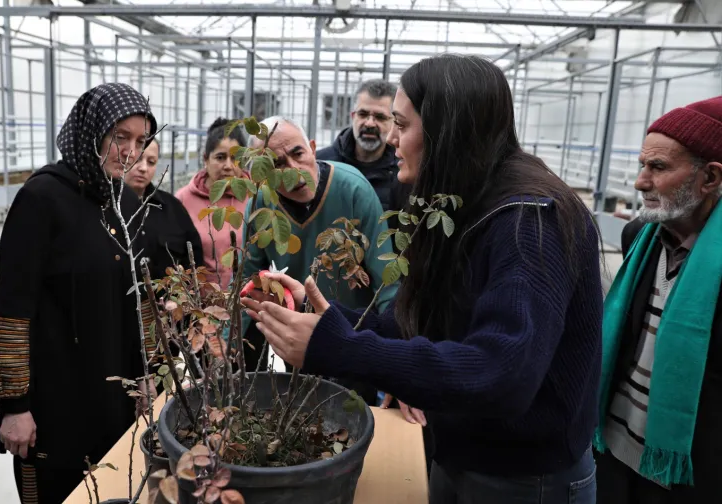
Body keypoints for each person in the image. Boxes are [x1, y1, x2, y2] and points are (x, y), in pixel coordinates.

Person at [242, 55, 603, 504]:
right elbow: (424, 325)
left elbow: (501, 372)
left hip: (525, 479)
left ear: (446, 129)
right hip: (465, 451)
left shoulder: (528, 221)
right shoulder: (466, 202)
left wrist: (339, 347)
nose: (391, 138)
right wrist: (331, 320)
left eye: (401, 123)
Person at [0, 82, 160, 504]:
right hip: (54, 400)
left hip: (114, 398)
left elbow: (142, 300)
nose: (131, 152)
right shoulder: (41, 199)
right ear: (92, 131)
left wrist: (149, 376)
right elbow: (13, 309)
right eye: (120, 137)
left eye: (141, 141)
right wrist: (13, 405)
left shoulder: (124, 202)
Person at [594, 96, 722, 503]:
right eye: (641, 165)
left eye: (659, 168)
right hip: (612, 448)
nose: (639, 182)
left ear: (711, 177)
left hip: (688, 469)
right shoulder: (640, 238)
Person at [241, 115, 398, 408]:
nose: (293, 170)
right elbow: (246, 279)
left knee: (350, 414)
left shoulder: (353, 190)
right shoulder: (260, 205)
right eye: (276, 165)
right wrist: (225, 349)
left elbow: (388, 285)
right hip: (293, 340)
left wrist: (399, 365)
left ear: (313, 148)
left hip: (352, 337)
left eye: (298, 153)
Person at [316, 78, 409, 215]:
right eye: (363, 114)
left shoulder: (402, 172)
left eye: (380, 117)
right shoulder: (322, 163)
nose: (370, 123)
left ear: (394, 122)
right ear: (353, 116)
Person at [177, 118, 250, 289]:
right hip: (200, 307)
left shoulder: (255, 197)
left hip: (248, 304)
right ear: (205, 159)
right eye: (220, 157)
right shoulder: (183, 200)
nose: (228, 166)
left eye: (235, 158)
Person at [124, 137, 204, 277]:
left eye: (151, 162)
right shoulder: (104, 208)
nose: (143, 168)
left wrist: (182, 296)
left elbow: (195, 262)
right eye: (137, 159)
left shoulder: (173, 208)